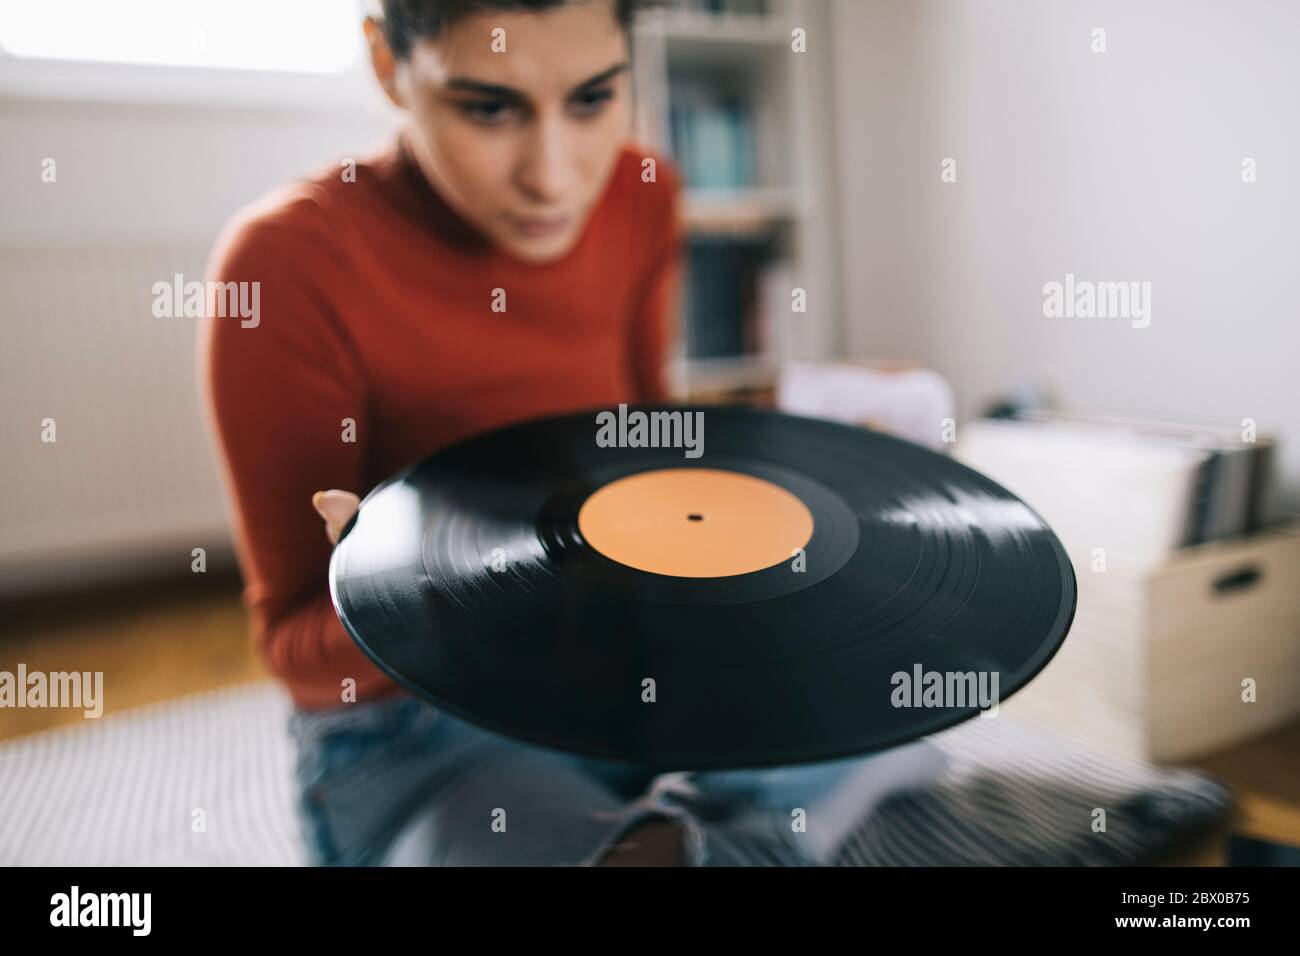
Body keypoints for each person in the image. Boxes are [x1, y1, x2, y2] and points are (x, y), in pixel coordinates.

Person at [199, 0, 944, 866]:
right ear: (386, 66)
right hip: (425, 731)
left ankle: (714, 817)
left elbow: (640, 439)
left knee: (898, 689)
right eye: (488, 108)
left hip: (625, 662)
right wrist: (410, 593)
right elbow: (297, 655)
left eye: (592, 99)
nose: (554, 177)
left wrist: (784, 451)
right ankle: (728, 825)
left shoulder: (642, 193)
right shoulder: (282, 265)